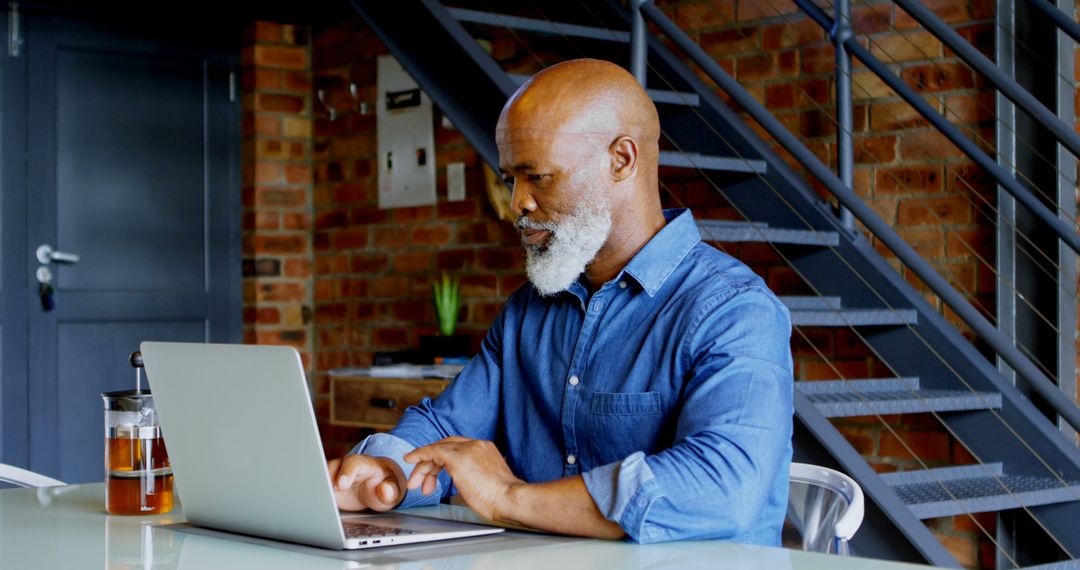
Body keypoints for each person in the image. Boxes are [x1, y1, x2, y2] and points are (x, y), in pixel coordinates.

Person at [327, 58, 794, 545]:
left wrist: (508, 497)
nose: (517, 203)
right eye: (512, 179)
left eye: (538, 177)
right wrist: (388, 469)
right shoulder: (528, 311)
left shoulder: (733, 310)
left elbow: (722, 487)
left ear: (622, 160)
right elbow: (446, 427)